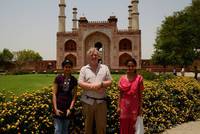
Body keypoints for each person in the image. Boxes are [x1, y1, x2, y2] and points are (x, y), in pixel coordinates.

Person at [78, 47, 112, 134]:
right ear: (88, 57)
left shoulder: (104, 68)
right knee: (87, 127)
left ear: (99, 56)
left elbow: (110, 81)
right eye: (91, 55)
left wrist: (101, 84)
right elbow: (80, 83)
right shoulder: (84, 69)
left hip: (101, 102)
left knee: (101, 127)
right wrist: (93, 87)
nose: (94, 57)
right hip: (87, 102)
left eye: (95, 55)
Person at [117, 58, 144, 134]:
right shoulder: (122, 78)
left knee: (133, 126)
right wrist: (118, 106)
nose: (130, 68)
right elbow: (120, 94)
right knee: (124, 125)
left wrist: (140, 108)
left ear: (135, 66)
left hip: (134, 107)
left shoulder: (139, 79)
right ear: (126, 66)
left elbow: (140, 95)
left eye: (132, 66)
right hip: (124, 107)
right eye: (129, 66)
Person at [52, 59, 78, 134]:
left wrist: (70, 109)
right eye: (66, 67)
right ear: (63, 68)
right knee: (58, 130)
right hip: (58, 107)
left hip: (67, 109)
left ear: (71, 68)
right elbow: (54, 94)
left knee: (65, 130)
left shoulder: (74, 80)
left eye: (69, 67)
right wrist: (55, 109)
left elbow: (74, 96)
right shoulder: (58, 78)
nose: (67, 68)